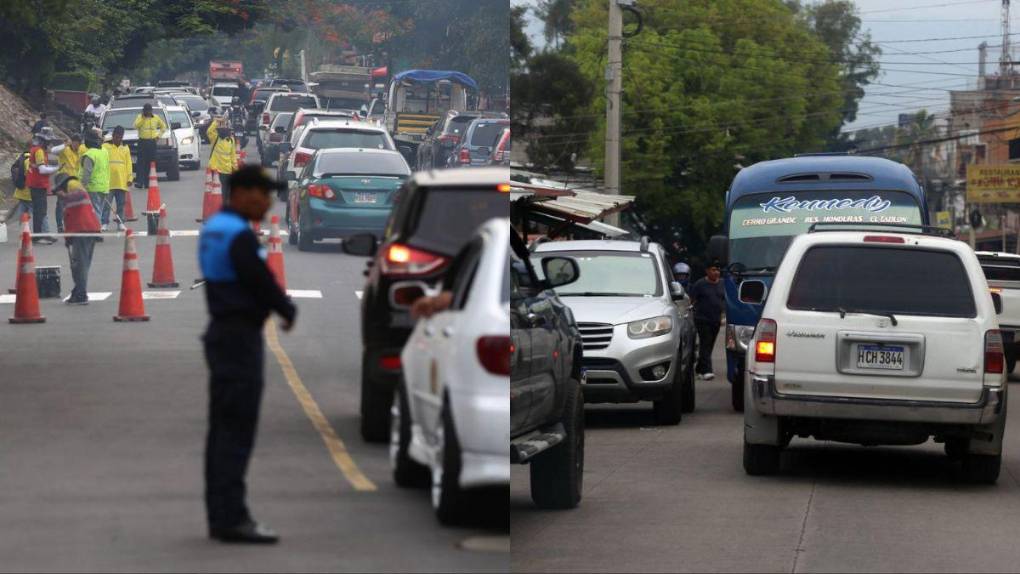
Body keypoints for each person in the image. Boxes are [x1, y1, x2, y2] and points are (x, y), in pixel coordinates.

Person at [198, 165, 295, 544]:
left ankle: (221, 514)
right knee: (236, 432)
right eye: (262, 193)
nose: (268, 201)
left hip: (224, 334)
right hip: (237, 339)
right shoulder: (236, 234)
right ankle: (232, 517)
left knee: (223, 431)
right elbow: (260, 280)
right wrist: (287, 310)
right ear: (240, 194)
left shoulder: (217, 227)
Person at [53, 173, 100, 305]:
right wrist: (68, 238)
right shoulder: (70, 192)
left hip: (83, 230)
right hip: (85, 229)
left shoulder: (72, 184)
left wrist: (64, 196)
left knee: (80, 265)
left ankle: (81, 294)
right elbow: (70, 217)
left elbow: (80, 195)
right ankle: (78, 289)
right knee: (81, 264)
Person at [688, 261, 726, 381]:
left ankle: (699, 368)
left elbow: (725, 300)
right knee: (705, 343)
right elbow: (691, 301)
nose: (716, 272)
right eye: (714, 270)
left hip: (716, 319)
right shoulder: (700, 284)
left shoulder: (723, 284)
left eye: (718, 270)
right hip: (702, 319)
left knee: (709, 345)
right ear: (707, 271)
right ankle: (707, 371)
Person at [26, 132, 59, 244]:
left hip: (37, 184)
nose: (49, 144)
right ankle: (37, 237)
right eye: (48, 142)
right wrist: (56, 169)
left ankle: (43, 234)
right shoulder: (39, 151)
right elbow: (42, 170)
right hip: (38, 185)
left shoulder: (37, 150)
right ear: (44, 142)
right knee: (39, 211)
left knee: (40, 211)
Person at [79, 129, 111, 230]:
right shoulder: (104, 151)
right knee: (99, 210)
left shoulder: (90, 154)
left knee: (95, 210)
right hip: (104, 186)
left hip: (92, 187)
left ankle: (96, 230)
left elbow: (87, 174)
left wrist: (81, 186)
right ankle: (96, 228)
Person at [102, 126, 133, 230]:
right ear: (113, 136)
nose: (118, 139)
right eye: (116, 137)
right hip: (108, 181)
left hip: (121, 181)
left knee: (121, 204)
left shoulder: (125, 148)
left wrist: (130, 178)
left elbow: (128, 164)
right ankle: (104, 223)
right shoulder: (105, 147)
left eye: (120, 137)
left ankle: (120, 223)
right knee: (106, 204)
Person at [56, 134, 86, 233]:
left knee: (73, 203)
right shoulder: (65, 150)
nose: (76, 146)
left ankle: (72, 224)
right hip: (63, 178)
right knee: (61, 203)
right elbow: (53, 150)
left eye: (78, 144)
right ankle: (60, 226)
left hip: (74, 181)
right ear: (72, 142)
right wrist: (64, 145)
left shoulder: (81, 151)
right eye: (74, 143)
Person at [132, 103, 166, 189]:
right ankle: (140, 182)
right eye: (146, 111)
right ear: (144, 111)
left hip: (152, 142)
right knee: (141, 163)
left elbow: (163, 127)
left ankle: (147, 183)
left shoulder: (156, 117)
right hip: (142, 142)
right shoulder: (140, 117)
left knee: (150, 163)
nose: (148, 113)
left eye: (149, 111)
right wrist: (143, 118)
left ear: (151, 111)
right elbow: (135, 126)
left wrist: (158, 136)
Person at [207, 119, 238, 202]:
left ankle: (224, 206)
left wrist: (235, 168)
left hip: (227, 170)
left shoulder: (231, 140)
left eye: (225, 127)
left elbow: (233, 156)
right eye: (222, 127)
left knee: (226, 192)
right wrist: (216, 122)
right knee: (215, 191)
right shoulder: (215, 138)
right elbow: (209, 131)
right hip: (216, 170)